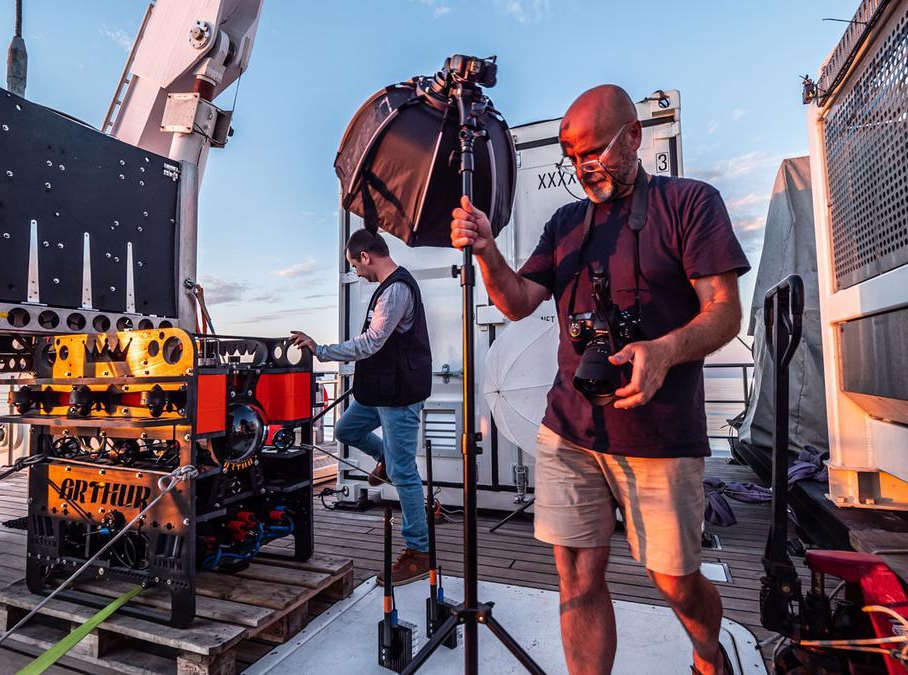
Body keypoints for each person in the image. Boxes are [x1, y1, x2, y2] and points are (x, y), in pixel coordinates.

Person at [450, 85, 749, 675]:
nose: (584, 167)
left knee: (675, 580)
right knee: (577, 575)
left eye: (594, 151)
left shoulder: (690, 202)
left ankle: (709, 655)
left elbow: (724, 311)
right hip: (569, 431)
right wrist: (486, 250)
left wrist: (663, 351)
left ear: (634, 136)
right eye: (571, 156)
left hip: (660, 436)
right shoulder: (565, 223)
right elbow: (515, 302)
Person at [290, 228, 432, 585]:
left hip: (398, 396)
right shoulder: (386, 290)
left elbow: (370, 343)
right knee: (345, 430)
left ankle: (420, 552)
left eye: (355, 265)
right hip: (379, 392)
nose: (356, 272)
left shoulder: (396, 289)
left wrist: (321, 350)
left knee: (405, 474)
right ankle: (385, 458)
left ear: (366, 256)